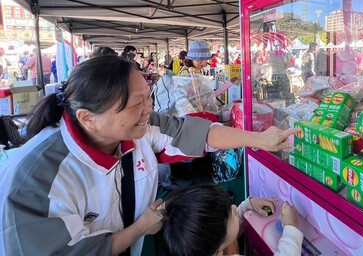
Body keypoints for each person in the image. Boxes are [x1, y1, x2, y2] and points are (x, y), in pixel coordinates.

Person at [0, 55, 297, 256]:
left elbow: (194, 134)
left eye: (149, 97)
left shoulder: (136, 129)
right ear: (88, 118)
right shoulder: (36, 181)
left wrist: (259, 139)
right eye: (136, 103)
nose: (149, 111)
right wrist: (140, 228)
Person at [162, 184, 303, 256]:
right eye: (231, 214)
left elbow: (227, 234)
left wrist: (248, 205)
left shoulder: (211, 247)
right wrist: (291, 227)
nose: (235, 207)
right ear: (218, 252)